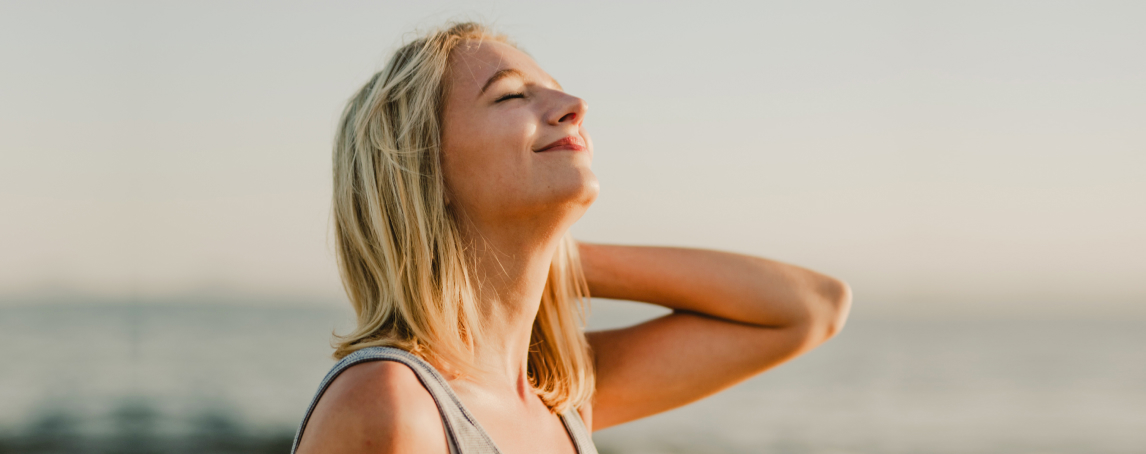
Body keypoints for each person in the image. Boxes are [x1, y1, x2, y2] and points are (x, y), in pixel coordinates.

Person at [291, 22, 851, 454]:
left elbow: (813, 307)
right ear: (421, 171)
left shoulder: (559, 398)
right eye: (511, 96)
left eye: (555, 91)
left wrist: (545, 257)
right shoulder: (390, 403)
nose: (575, 108)